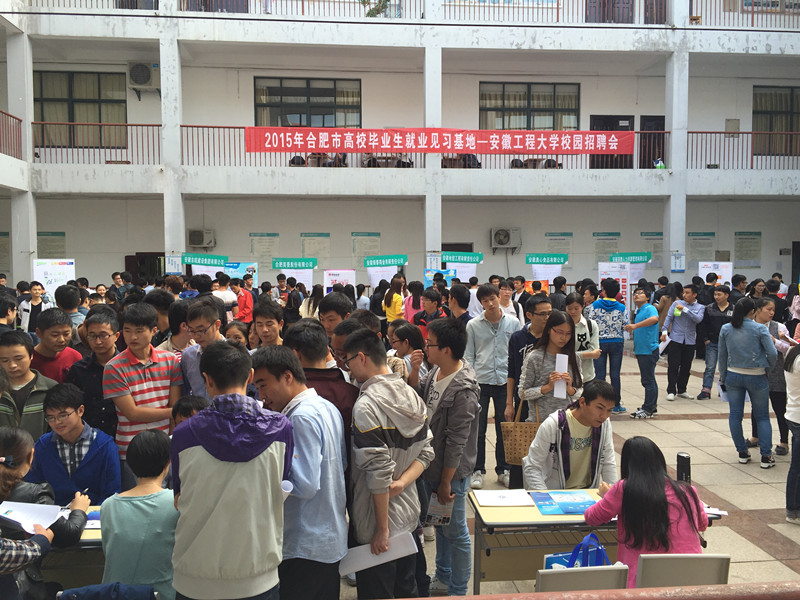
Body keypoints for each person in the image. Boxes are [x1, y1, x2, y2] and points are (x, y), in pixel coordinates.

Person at [171, 340, 293, 600]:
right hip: (258, 573)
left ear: (207, 380)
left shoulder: (183, 434)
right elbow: (282, 484)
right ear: (250, 376)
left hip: (194, 575)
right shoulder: (281, 429)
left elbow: (179, 498)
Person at [342, 329, 433, 600]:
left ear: (361, 358)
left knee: (377, 591)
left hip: (375, 521)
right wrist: (403, 483)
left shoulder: (366, 406)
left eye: (348, 362)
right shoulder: (411, 395)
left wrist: (381, 530)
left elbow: (378, 473)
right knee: (406, 588)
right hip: (408, 514)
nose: (348, 369)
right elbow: (426, 452)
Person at [251, 346, 347, 600]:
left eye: (263, 385)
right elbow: (342, 464)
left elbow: (304, 484)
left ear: (287, 376)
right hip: (328, 536)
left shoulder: (299, 418)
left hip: (304, 542)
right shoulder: (327, 407)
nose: (261, 396)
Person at [408, 318, 480, 597]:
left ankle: (458, 590)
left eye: (430, 344)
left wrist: (446, 482)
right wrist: (415, 371)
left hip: (451, 472)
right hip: (432, 464)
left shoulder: (464, 389)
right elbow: (419, 399)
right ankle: (443, 576)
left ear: (446, 349)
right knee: (440, 526)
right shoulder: (437, 370)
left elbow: (457, 441)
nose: (426, 348)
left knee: (457, 533)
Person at [584, 436, 707, 588]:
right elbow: (702, 524)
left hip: (642, 582)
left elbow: (591, 517)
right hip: (690, 578)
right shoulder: (687, 491)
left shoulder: (624, 489)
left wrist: (607, 496)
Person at [0, 426, 88, 599]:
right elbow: (68, 534)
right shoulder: (35, 494)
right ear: (31, 456)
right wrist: (78, 510)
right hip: (17, 586)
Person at [101, 429, 178, 600]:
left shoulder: (108, 506)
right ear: (169, 462)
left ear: (129, 463)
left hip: (115, 594)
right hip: (163, 595)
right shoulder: (176, 503)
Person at [102, 302, 183, 465]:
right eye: (127, 330)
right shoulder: (113, 367)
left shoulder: (171, 360)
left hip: (165, 447)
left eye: (139, 331)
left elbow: (174, 406)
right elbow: (132, 413)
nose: (132, 337)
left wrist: (171, 441)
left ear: (154, 330)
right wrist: (173, 412)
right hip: (131, 449)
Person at [26, 383, 120, 505]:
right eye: (51, 418)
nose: (57, 422)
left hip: (93, 512)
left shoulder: (104, 445)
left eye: (63, 415)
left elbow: (111, 494)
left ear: (80, 411)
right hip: (53, 512)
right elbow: (32, 487)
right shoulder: (43, 445)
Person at [465, 284, 519, 489]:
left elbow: (516, 354)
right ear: (480, 303)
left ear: (499, 297)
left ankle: (504, 470)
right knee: (477, 429)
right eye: (485, 301)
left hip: (505, 382)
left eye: (492, 299)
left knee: (504, 427)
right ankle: (477, 470)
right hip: (480, 381)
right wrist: (470, 382)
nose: (490, 304)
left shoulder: (513, 323)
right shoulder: (473, 325)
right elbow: (468, 355)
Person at [522, 380, 617, 490]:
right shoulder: (555, 424)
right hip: (555, 493)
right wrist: (545, 497)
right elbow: (532, 466)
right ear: (582, 402)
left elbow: (608, 463)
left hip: (588, 492)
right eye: (599, 408)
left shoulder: (604, 425)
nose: (604, 416)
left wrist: (613, 495)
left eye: (609, 410)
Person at [718, 297, 778, 468]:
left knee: (735, 415)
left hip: (733, 374)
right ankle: (766, 456)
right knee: (762, 416)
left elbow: (722, 355)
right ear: (753, 311)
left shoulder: (726, 328)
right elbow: (772, 353)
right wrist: (768, 368)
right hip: (757, 374)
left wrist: (723, 375)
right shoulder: (760, 329)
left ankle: (742, 452)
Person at [504, 295, 552, 490]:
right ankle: (517, 490)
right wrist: (509, 403)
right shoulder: (518, 338)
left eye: (550, 313)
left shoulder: (554, 336)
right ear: (530, 315)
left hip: (548, 402)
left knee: (547, 449)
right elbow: (511, 372)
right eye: (543, 314)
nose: (547, 318)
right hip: (524, 400)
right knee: (521, 445)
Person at [746, 297, 792, 456]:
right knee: (756, 407)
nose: (772, 313)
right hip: (756, 371)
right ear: (757, 310)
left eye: (773, 310)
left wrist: (775, 341)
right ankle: (755, 436)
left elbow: (788, 348)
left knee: (780, 408)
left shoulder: (779, 327)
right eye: (768, 309)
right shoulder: (749, 326)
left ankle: (784, 442)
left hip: (776, 373)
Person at [519, 310, 584, 424]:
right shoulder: (534, 357)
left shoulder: (574, 358)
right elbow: (522, 393)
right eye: (559, 332)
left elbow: (580, 391)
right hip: (539, 423)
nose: (563, 337)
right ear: (549, 329)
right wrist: (547, 387)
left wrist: (570, 389)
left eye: (568, 333)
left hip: (566, 422)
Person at [0, 330, 57, 439]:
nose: (12, 365)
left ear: (31, 356)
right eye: (5, 360)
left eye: (18, 359)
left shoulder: (49, 388)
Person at [585, 278, 629, 413]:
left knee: (600, 375)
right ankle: (616, 404)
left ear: (603, 291)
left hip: (599, 343)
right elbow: (625, 324)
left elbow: (590, 323)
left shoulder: (595, 305)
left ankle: (599, 404)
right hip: (616, 342)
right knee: (615, 375)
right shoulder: (622, 307)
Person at [661, 283, 706, 401]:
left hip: (690, 340)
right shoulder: (676, 304)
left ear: (694, 295)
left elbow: (698, 319)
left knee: (686, 367)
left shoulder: (700, 307)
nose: (684, 295)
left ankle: (682, 389)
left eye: (687, 293)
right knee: (673, 366)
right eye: (683, 293)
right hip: (675, 339)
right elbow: (669, 317)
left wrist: (685, 310)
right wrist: (664, 331)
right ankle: (671, 390)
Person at [626, 287, 661, 419]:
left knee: (648, 380)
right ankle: (651, 406)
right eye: (635, 293)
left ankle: (648, 409)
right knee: (647, 379)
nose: (636, 295)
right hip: (642, 350)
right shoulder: (639, 310)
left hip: (649, 349)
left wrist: (635, 325)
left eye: (640, 293)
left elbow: (654, 319)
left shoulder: (649, 308)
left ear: (647, 297)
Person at [181, 300, 225, 400]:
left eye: (201, 330)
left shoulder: (236, 354)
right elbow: (185, 392)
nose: (196, 336)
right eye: (192, 331)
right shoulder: (188, 356)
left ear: (217, 325)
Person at [697, 285, 734, 400]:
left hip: (728, 344)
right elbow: (703, 325)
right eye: (715, 294)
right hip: (712, 342)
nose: (716, 297)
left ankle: (724, 389)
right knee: (710, 367)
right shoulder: (709, 308)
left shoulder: (734, 309)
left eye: (719, 294)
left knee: (726, 368)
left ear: (726, 295)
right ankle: (706, 390)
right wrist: (706, 339)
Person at [30, 307, 82, 383]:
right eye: (55, 335)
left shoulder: (75, 357)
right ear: (39, 333)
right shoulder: (29, 360)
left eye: (66, 334)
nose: (61, 340)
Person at [565, 292, 600, 384]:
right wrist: (589, 354)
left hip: (587, 375)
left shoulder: (591, 325)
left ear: (582, 306)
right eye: (569, 308)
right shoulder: (561, 326)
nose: (573, 312)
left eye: (576, 308)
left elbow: (595, 351)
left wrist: (572, 355)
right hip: (566, 376)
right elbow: (561, 354)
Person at [783, 344, 800, 525]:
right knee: (797, 467)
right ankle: (793, 510)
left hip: (793, 414)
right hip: (798, 417)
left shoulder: (792, 352)